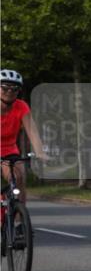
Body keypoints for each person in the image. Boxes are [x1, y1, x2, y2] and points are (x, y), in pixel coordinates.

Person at [0, 69, 47, 204]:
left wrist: (40, 152)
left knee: (19, 178)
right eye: (5, 88)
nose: (10, 91)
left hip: (9, 149)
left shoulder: (21, 106)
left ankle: (20, 221)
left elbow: (32, 130)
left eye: (15, 89)